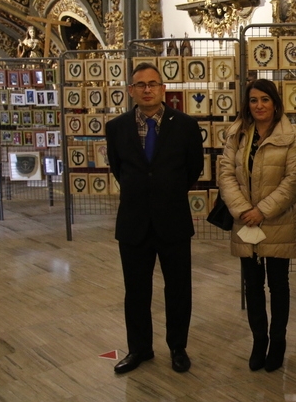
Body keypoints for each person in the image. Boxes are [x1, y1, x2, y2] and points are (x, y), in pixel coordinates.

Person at [105, 62, 203, 374]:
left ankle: (177, 348)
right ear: (131, 91)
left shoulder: (185, 125)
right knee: (135, 290)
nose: (147, 89)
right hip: (133, 223)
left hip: (172, 220)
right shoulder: (116, 127)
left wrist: (165, 191)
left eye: (153, 84)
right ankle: (139, 349)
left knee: (178, 289)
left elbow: (193, 169)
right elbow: (119, 169)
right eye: (140, 85)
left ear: (163, 89)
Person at [217, 79, 296, 372]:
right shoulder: (237, 134)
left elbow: (293, 181)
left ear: (275, 103)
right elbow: (226, 174)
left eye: (265, 100)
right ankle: (259, 341)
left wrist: (262, 211)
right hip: (246, 224)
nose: (259, 106)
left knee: (278, 285)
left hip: (277, 222)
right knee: (252, 286)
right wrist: (244, 210)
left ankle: (277, 342)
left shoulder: (291, 137)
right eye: (254, 100)